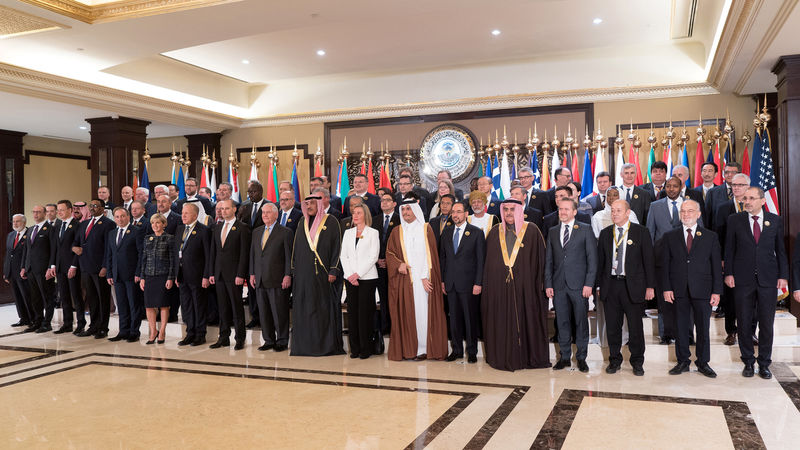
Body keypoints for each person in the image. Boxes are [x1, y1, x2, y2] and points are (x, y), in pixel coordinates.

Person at [724, 187, 789, 379]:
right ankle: (748, 362)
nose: (747, 201)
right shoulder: (735, 220)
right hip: (742, 279)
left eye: (752, 198)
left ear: (762, 201)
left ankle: (764, 363)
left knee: (766, 324)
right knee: (743, 323)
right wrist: (728, 273)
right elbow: (729, 249)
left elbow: (781, 250)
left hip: (768, 279)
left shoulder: (774, 220)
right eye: (745, 198)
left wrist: (783, 276)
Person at [481, 199, 548, 371]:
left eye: (512, 209)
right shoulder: (495, 232)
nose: (509, 213)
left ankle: (527, 357)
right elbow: (488, 263)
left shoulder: (532, 231)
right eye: (506, 210)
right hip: (499, 289)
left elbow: (541, 263)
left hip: (526, 289)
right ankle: (501, 356)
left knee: (525, 320)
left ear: (519, 210)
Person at [662, 200, 722, 378]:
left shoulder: (710, 236)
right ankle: (683, 361)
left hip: (703, 290)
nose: (686, 214)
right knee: (680, 327)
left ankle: (703, 363)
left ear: (698, 214)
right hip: (678, 289)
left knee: (703, 328)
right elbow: (665, 265)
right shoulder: (670, 236)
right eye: (683, 211)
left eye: (690, 211)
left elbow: (716, 266)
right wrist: (666, 288)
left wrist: (716, 291)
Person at [596, 200, 655, 376]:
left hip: (634, 286)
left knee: (636, 327)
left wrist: (650, 286)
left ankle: (637, 361)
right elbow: (601, 263)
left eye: (618, 211)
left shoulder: (641, 232)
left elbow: (649, 262)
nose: (614, 214)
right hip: (611, 286)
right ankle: (614, 360)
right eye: (612, 211)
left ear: (628, 213)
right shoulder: (606, 234)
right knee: (613, 327)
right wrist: (599, 286)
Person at [386, 198, 448, 361]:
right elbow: (390, 254)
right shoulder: (397, 231)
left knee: (423, 314)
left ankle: (425, 349)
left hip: (423, 281)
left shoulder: (426, 229)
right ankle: (410, 349)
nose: (406, 212)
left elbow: (431, 257)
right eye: (403, 209)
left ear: (416, 210)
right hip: (405, 281)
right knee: (408, 314)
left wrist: (424, 277)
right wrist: (398, 264)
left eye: (409, 209)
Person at [545, 198, 597, 372]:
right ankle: (565, 357)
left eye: (566, 209)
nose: (563, 212)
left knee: (581, 323)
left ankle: (581, 357)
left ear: (575, 212)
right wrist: (548, 283)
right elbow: (549, 261)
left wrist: (589, 284)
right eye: (560, 209)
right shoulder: (552, 231)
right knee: (562, 323)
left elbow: (592, 260)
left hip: (579, 286)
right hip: (559, 286)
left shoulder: (585, 229)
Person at [290, 195, 345, 356]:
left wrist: (334, 269)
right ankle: (305, 346)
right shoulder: (302, 222)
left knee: (322, 310)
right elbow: (296, 248)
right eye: (306, 204)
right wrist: (293, 270)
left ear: (320, 204)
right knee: (305, 310)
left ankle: (325, 346)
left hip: (324, 276)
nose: (308, 206)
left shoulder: (331, 221)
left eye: (312, 203)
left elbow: (337, 247)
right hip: (303, 276)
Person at [646, 176, 692, 344]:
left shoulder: (690, 206)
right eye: (668, 186)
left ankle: (687, 334)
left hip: (685, 260)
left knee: (686, 297)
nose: (671, 189)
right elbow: (649, 234)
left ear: (681, 187)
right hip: (661, 260)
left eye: (675, 186)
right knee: (664, 298)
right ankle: (666, 334)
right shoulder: (655, 206)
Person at [439, 201, 485, 363]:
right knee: (454, 319)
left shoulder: (476, 233)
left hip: (469, 284)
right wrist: (443, 281)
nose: (455, 215)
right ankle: (456, 350)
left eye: (459, 212)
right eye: (453, 212)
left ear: (466, 214)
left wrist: (478, 283)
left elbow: (481, 261)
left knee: (470, 318)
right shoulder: (446, 232)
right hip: (450, 283)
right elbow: (442, 259)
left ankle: (471, 351)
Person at [249, 202, 292, 352]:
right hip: (260, 279)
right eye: (263, 213)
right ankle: (268, 340)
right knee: (264, 312)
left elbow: (288, 257)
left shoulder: (285, 232)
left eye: (268, 212)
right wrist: (252, 273)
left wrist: (288, 275)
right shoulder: (257, 231)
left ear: (276, 214)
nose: (265, 215)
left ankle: (281, 340)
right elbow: (253, 255)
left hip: (278, 279)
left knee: (279, 312)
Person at [714, 173, 752, 343]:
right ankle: (731, 331)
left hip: (751, 261)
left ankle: (751, 332)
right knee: (730, 298)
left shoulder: (756, 206)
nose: (736, 188)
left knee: (752, 299)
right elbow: (719, 235)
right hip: (730, 259)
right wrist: (722, 259)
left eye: (740, 185)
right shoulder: (723, 208)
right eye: (734, 185)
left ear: (748, 187)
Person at [208, 199, 251, 350]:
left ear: (234, 209)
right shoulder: (217, 227)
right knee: (223, 307)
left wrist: (241, 274)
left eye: (227, 208)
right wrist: (212, 273)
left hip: (234, 275)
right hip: (219, 274)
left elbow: (244, 254)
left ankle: (240, 338)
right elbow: (214, 252)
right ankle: (223, 337)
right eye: (221, 209)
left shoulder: (242, 228)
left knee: (236, 307)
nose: (223, 211)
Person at [72, 199, 116, 338]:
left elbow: (108, 248)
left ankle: (103, 328)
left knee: (103, 298)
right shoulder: (84, 223)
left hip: (99, 268)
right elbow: (76, 241)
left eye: (95, 206)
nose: (92, 208)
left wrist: (105, 266)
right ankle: (93, 325)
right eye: (90, 206)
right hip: (86, 266)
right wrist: (74, 248)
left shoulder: (108, 224)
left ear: (103, 209)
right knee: (91, 298)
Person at [341, 203, 380, 359]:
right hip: (351, 279)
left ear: (365, 215)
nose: (355, 216)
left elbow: (373, 257)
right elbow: (344, 256)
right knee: (353, 314)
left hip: (367, 278)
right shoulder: (348, 233)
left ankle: (366, 348)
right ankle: (355, 348)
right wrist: (350, 275)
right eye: (354, 213)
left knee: (365, 314)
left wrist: (358, 274)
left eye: (358, 213)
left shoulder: (373, 233)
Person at [174, 202, 212, 347]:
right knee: (186, 306)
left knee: (199, 305)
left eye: (186, 213)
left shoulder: (203, 230)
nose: (183, 216)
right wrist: (176, 274)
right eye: (182, 213)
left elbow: (208, 255)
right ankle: (190, 333)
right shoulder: (179, 229)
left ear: (195, 215)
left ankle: (200, 334)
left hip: (198, 275)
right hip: (182, 275)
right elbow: (176, 253)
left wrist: (206, 276)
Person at [103, 207, 143, 342]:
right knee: (122, 304)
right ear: (114, 218)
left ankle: (134, 331)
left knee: (133, 304)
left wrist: (139, 272)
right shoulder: (112, 233)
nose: (120, 219)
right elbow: (109, 255)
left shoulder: (136, 232)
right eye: (117, 217)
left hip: (132, 275)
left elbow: (141, 254)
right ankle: (123, 330)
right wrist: (109, 273)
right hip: (117, 274)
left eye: (123, 216)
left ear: (128, 217)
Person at [137, 213, 176, 345]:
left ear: (164, 224)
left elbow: (172, 260)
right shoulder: (148, 238)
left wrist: (171, 278)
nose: (155, 225)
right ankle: (153, 331)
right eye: (153, 223)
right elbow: (143, 259)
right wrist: (142, 277)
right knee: (149, 306)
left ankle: (162, 331)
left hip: (163, 276)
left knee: (163, 305)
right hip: (149, 276)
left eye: (158, 223)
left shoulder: (170, 238)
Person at [20, 205, 57, 333]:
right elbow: (26, 250)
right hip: (30, 269)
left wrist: (50, 267)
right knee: (35, 297)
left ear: (45, 213)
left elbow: (53, 250)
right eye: (34, 212)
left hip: (43, 269)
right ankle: (38, 321)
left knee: (47, 297)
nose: (35, 214)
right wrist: (24, 267)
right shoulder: (30, 229)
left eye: (38, 212)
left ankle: (47, 323)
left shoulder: (50, 229)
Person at [53, 200, 84, 334]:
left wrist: (74, 265)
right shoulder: (58, 225)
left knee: (76, 296)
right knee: (64, 296)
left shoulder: (77, 225)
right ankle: (67, 323)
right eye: (58, 210)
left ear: (70, 210)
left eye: (62, 209)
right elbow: (55, 248)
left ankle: (81, 323)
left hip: (72, 266)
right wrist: (53, 265)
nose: (59, 212)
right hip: (60, 267)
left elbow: (79, 247)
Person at [372, 191, 400, 337]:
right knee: (382, 297)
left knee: (394, 297)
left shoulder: (400, 219)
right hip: (377, 265)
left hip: (394, 266)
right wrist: (377, 259)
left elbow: (400, 245)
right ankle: (384, 326)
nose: (384, 203)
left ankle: (395, 326)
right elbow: (370, 243)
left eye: (388, 200)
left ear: (394, 204)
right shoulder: (374, 220)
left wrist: (390, 261)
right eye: (382, 200)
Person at [4, 214, 31, 327]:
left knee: (27, 296)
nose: (15, 223)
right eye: (14, 221)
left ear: (24, 222)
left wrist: (25, 268)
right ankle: (23, 318)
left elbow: (29, 254)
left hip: (24, 271)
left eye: (18, 221)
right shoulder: (11, 235)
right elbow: (8, 254)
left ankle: (33, 318)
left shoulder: (29, 233)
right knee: (17, 297)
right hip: (12, 272)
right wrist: (6, 272)